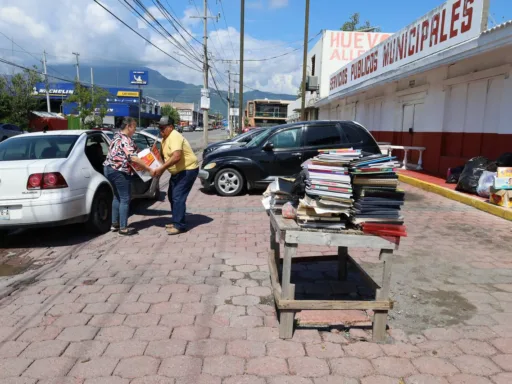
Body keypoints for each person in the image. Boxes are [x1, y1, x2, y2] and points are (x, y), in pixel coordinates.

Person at [103, 117, 155, 236]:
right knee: (125, 198)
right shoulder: (125, 140)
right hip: (119, 171)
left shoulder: (117, 136)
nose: (135, 130)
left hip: (109, 170)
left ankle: (114, 224)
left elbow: (137, 151)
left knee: (117, 197)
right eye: (134, 127)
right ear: (128, 126)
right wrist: (149, 169)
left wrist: (149, 152)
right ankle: (123, 228)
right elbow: (134, 158)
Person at [154, 116, 199, 235]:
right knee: (171, 195)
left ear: (171, 127)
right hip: (177, 172)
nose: (161, 130)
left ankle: (179, 225)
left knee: (178, 197)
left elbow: (176, 156)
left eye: (163, 128)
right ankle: (176, 221)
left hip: (188, 170)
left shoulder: (174, 136)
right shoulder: (165, 139)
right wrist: (158, 170)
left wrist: (162, 169)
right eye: (159, 128)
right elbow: (165, 159)